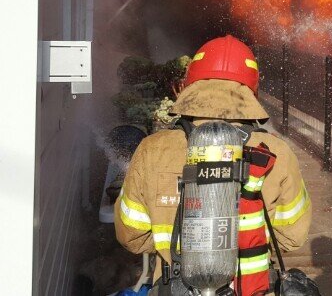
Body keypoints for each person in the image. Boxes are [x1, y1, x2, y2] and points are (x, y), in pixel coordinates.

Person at [115, 35, 312, 295]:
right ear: (251, 88)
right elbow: (291, 237)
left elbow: (132, 235)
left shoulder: (152, 150)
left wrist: (175, 248)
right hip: (250, 287)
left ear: (191, 83)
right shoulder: (276, 153)